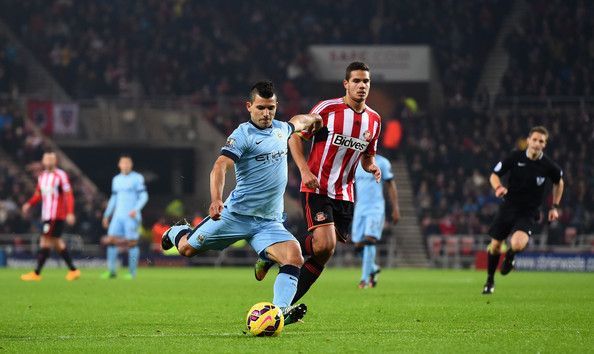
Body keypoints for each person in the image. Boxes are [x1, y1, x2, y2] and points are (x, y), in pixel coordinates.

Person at [160, 81, 323, 325]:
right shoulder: (242, 135)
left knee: (294, 255)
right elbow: (219, 167)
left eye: (270, 108)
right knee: (187, 249)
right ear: (249, 106)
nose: (266, 113)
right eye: (260, 108)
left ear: (276, 106)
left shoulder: (282, 129)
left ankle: (279, 313)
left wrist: (316, 121)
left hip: (269, 222)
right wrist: (216, 199)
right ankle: (175, 232)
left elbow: (302, 121)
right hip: (234, 216)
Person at [255, 62, 382, 304]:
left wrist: (372, 167)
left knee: (324, 253)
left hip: (345, 194)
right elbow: (295, 137)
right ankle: (274, 252)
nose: (361, 86)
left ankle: (283, 305)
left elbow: (368, 157)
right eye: (356, 81)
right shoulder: (327, 109)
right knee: (325, 243)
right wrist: (303, 171)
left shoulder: (374, 120)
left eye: (366, 81)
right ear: (346, 84)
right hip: (318, 187)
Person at [482, 126, 564, 294]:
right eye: (534, 139)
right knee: (496, 246)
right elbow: (494, 175)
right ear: (528, 140)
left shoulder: (548, 165)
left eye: (541, 141)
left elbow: (559, 182)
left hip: (529, 210)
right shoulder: (515, 157)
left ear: (544, 144)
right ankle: (490, 280)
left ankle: (510, 256)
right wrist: (498, 188)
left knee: (517, 244)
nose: (536, 143)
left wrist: (554, 207)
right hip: (509, 206)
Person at [20, 151, 80, 281]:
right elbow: (38, 194)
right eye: (46, 159)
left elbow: (68, 194)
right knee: (56, 241)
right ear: (43, 161)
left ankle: (37, 273)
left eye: (51, 159)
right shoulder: (42, 176)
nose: (49, 161)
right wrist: (28, 204)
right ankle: (73, 270)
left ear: (56, 161)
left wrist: (70, 212)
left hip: (56, 215)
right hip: (46, 215)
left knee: (45, 240)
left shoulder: (61, 175)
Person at [352, 154, 400, 289]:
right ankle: (373, 269)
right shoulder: (355, 161)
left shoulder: (382, 162)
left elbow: (391, 184)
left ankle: (364, 280)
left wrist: (395, 208)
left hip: (375, 207)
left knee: (369, 240)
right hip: (360, 207)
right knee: (358, 246)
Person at [101, 154, 148, 279]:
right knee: (110, 240)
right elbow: (114, 198)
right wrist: (106, 215)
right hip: (118, 216)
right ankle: (112, 271)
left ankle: (132, 273)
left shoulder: (137, 178)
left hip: (131, 216)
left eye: (128, 163)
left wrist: (136, 209)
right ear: (119, 165)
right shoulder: (116, 179)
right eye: (123, 163)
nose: (126, 165)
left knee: (132, 242)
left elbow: (144, 196)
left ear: (131, 165)